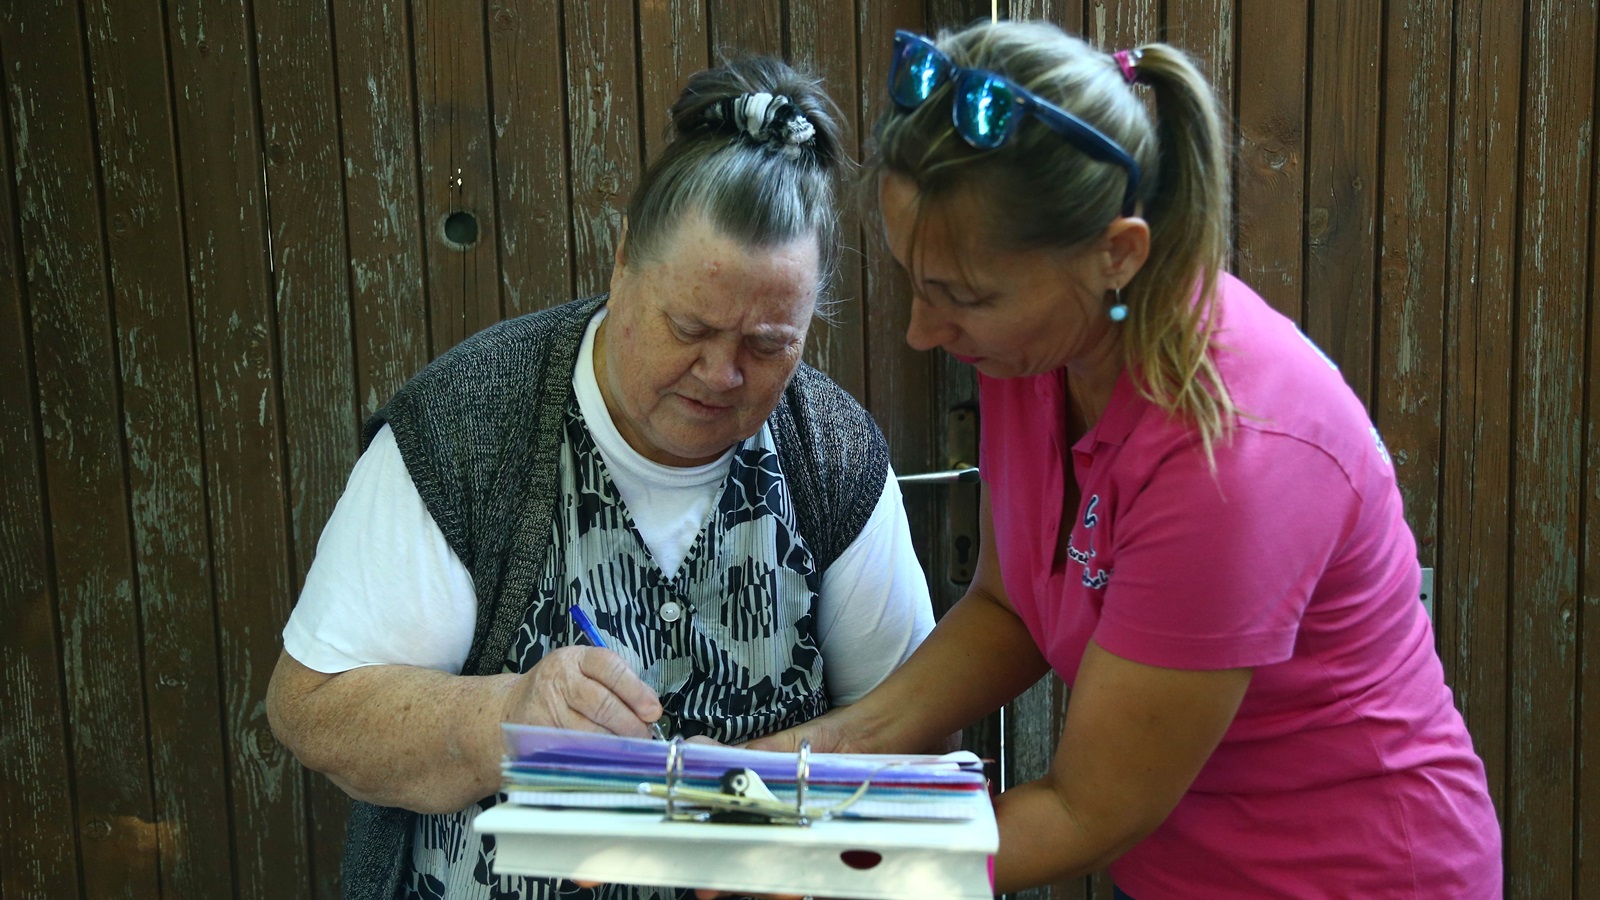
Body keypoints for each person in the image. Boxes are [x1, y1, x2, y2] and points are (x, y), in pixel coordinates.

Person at [745, 21, 1502, 898]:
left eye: (963, 298)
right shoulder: (1040, 347)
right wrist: (820, 757)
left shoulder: (1231, 458)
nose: (923, 332)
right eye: (917, 281)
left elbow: (1086, 810)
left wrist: (825, 857)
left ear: (1117, 255)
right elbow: (1010, 607)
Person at [265, 56, 935, 900]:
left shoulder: (829, 450)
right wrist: (502, 718)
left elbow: (910, 716)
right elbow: (312, 709)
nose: (722, 373)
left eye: (769, 345)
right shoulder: (471, 427)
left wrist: (785, 820)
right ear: (622, 261)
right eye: (689, 325)